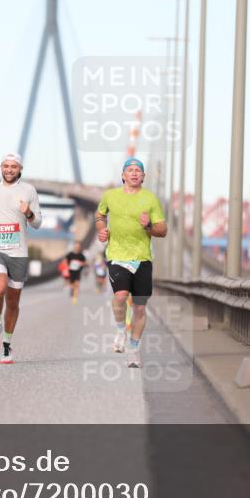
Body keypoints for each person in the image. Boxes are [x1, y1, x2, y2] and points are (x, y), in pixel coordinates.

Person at [94, 157, 167, 367]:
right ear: (123, 175)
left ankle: (134, 351)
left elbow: (163, 230)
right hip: (117, 255)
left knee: (140, 308)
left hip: (142, 258)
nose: (134, 173)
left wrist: (149, 225)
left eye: (138, 171)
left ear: (143, 176)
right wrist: (101, 229)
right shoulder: (110, 196)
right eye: (130, 170)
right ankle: (120, 330)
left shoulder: (151, 199)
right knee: (120, 296)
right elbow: (99, 216)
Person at [0, 153, 42, 364]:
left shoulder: (29, 190)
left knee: (13, 303)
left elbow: (37, 222)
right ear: (1, 168)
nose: (9, 169)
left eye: (14, 166)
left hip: (18, 252)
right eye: (6, 166)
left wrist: (28, 212)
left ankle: (6, 345)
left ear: (20, 169)